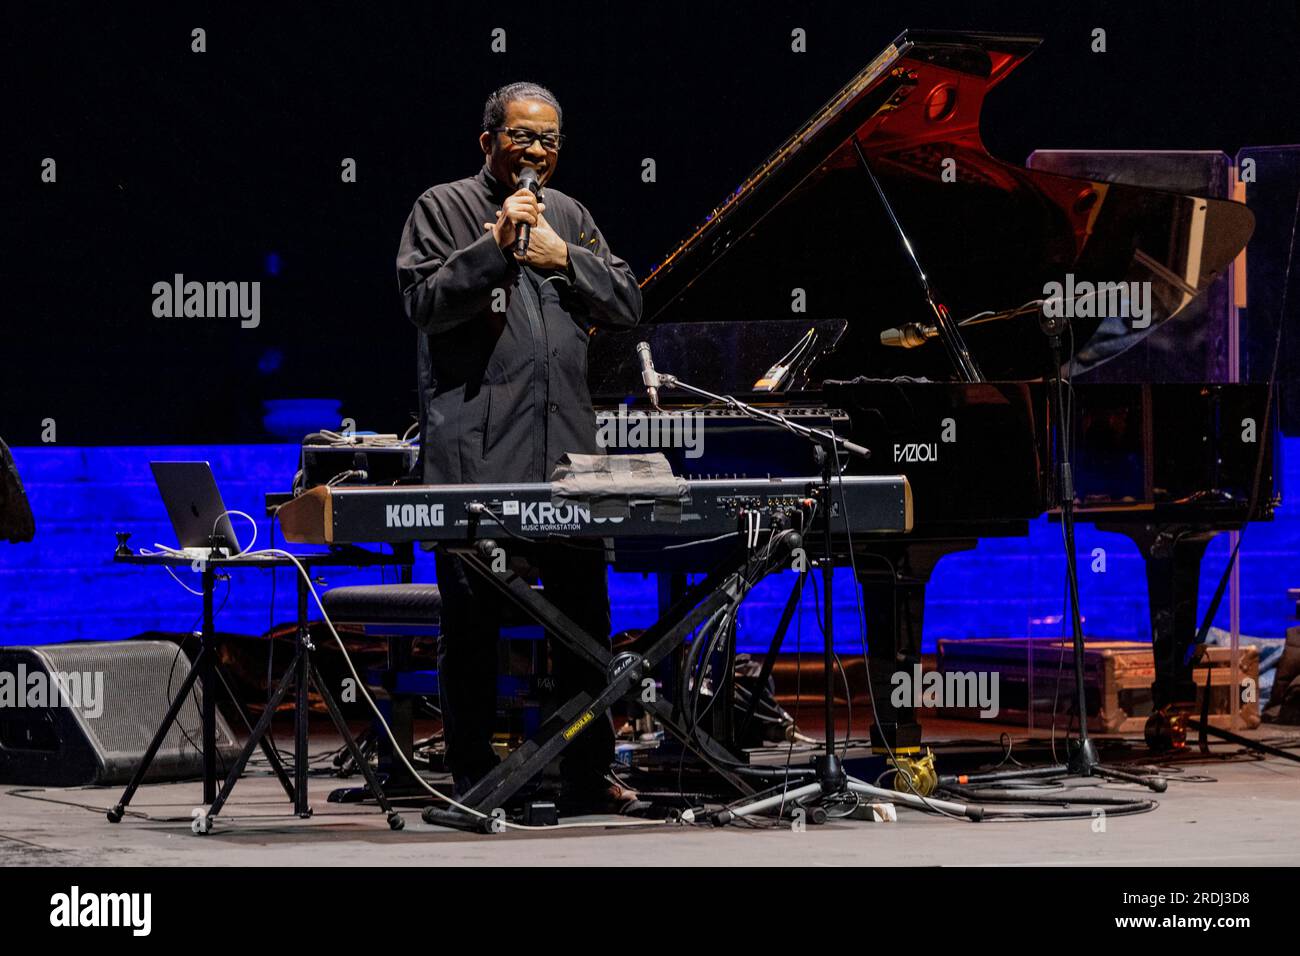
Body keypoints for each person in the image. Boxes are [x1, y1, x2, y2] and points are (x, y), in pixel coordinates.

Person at [395, 81, 642, 813]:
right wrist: (493, 246)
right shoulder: (441, 208)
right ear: (489, 142)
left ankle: (586, 772)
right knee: (472, 627)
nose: (536, 151)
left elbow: (628, 302)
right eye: (522, 137)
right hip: (477, 456)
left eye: (548, 140)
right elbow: (423, 304)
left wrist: (567, 257)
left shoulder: (570, 217)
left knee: (585, 625)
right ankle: (475, 776)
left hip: (567, 455)